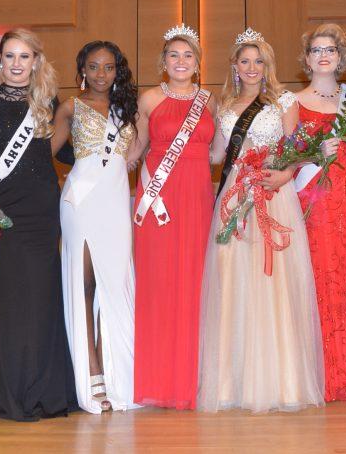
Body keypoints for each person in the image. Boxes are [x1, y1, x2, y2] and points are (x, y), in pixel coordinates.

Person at [198, 28, 324, 413]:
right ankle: (230, 383)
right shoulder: (225, 105)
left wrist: (284, 175)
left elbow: (298, 150)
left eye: (259, 61)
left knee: (275, 284)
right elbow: (217, 155)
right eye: (245, 61)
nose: (252, 68)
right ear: (235, 66)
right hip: (235, 195)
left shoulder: (284, 101)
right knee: (234, 281)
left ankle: (283, 382)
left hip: (272, 192)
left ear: (267, 65)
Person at [0, 29, 77, 421]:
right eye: (10, 56)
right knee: (15, 298)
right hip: (6, 210)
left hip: (44, 209)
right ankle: (13, 392)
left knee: (45, 296)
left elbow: (64, 153)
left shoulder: (48, 102)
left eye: (25, 57)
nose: (17, 64)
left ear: (36, 61)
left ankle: (49, 392)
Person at [52, 40, 140, 413]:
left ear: (117, 70)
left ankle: (120, 374)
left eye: (108, 67)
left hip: (116, 202)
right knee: (85, 284)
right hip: (82, 203)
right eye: (93, 66)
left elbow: (140, 155)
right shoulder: (71, 107)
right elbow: (48, 150)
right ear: (82, 70)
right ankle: (91, 374)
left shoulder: (129, 110)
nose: (101, 74)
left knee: (114, 284)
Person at [132, 24, 216, 410]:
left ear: (198, 63)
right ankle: (158, 380)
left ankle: (192, 381)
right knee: (160, 284)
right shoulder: (148, 100)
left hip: (197, 200)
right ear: (163, 62)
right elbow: (133, 153)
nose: (180, 62)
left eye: (188, 56)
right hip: (159, 204)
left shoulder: (210, 101)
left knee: (196, 284)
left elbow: (217, 155)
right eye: (173, 55)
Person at [294, 23, 346, 402]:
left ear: (341, 57)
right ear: (306, 59)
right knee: (320, 279)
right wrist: (313, 154)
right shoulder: (293, 102)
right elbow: (282, 157)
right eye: (317, 49)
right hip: (315, 201)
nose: (324, 55)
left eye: (331, 49)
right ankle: (321, 376)